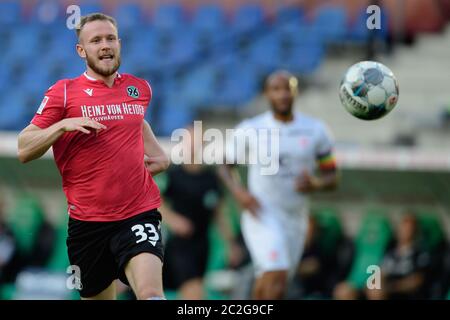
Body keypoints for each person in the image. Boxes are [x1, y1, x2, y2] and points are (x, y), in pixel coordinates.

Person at [17, 13, 169, 300]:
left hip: (138, 214)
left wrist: (156, 158)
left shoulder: (139, 89)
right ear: (81, 50)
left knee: (151, 293)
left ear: (119, 44)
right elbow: (24, 148)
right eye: (96, 40)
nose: (105, 45)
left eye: (110, 38)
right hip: (87, 225)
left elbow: (136, 122)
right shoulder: (63, 93)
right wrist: (62, 125)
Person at [219, 70, 338, 300]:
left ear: (296, 92)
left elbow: (332, 174)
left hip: (296, 218)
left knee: (274, 283)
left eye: (287, 88)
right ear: (266, 94)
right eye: (276, 89)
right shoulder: (250, 128)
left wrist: (317, 183)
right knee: (276, 272)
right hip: (262, 213)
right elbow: (225, 166)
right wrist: (239, 192)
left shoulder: (316, 130)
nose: (282, 94)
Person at [161, 126, 242, 299]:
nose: (191, 146)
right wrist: (174, 220)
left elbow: (219, 214)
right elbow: (157, 203)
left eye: (195, 141)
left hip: (203, 244)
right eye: (188, 141)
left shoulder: (211, 178)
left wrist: (231, 244)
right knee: (193, 291)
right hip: (180, 246)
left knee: (196, 290)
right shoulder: (174, 175)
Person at [365, 213, 431, 300]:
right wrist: (373, 284)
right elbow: (380, 272)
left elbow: (417, 281)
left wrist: (391, 288)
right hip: (385, 290)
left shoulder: (420, 253)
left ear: (415, 231)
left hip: (403, 294)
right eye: (403, 227)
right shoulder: (390, 250)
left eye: (409, 228)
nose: (405, 231)